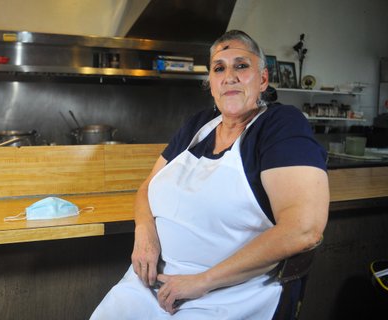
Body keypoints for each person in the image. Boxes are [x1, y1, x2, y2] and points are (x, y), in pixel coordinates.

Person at [90, 30, 329, 320]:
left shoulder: (279, 125)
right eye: (219, 68)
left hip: (228, 296)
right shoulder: (198, 125)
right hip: (150, 285)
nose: (229, 76)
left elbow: (304, 228)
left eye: (241, 65)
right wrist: (145, 234)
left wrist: (201, 282)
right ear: (212, 84)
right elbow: (146, 189)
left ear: (263, 79)